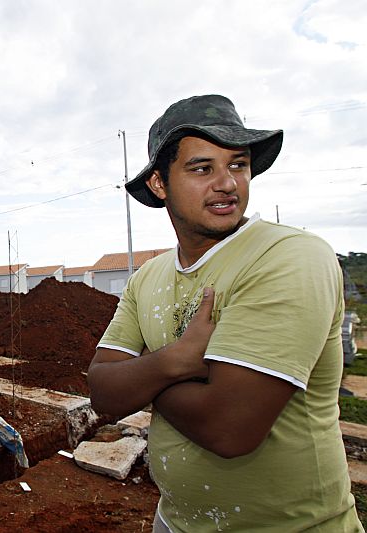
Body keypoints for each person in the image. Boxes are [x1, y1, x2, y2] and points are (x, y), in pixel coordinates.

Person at [87, 94, 362, 532]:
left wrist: (143, 380)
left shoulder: (287, 257)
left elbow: (228, 428)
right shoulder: (149, 276)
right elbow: (101, 391)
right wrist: (177, 361)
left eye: (238, 165)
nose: (227, 183)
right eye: (202, 168)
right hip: (173, 521)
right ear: (160, 184)